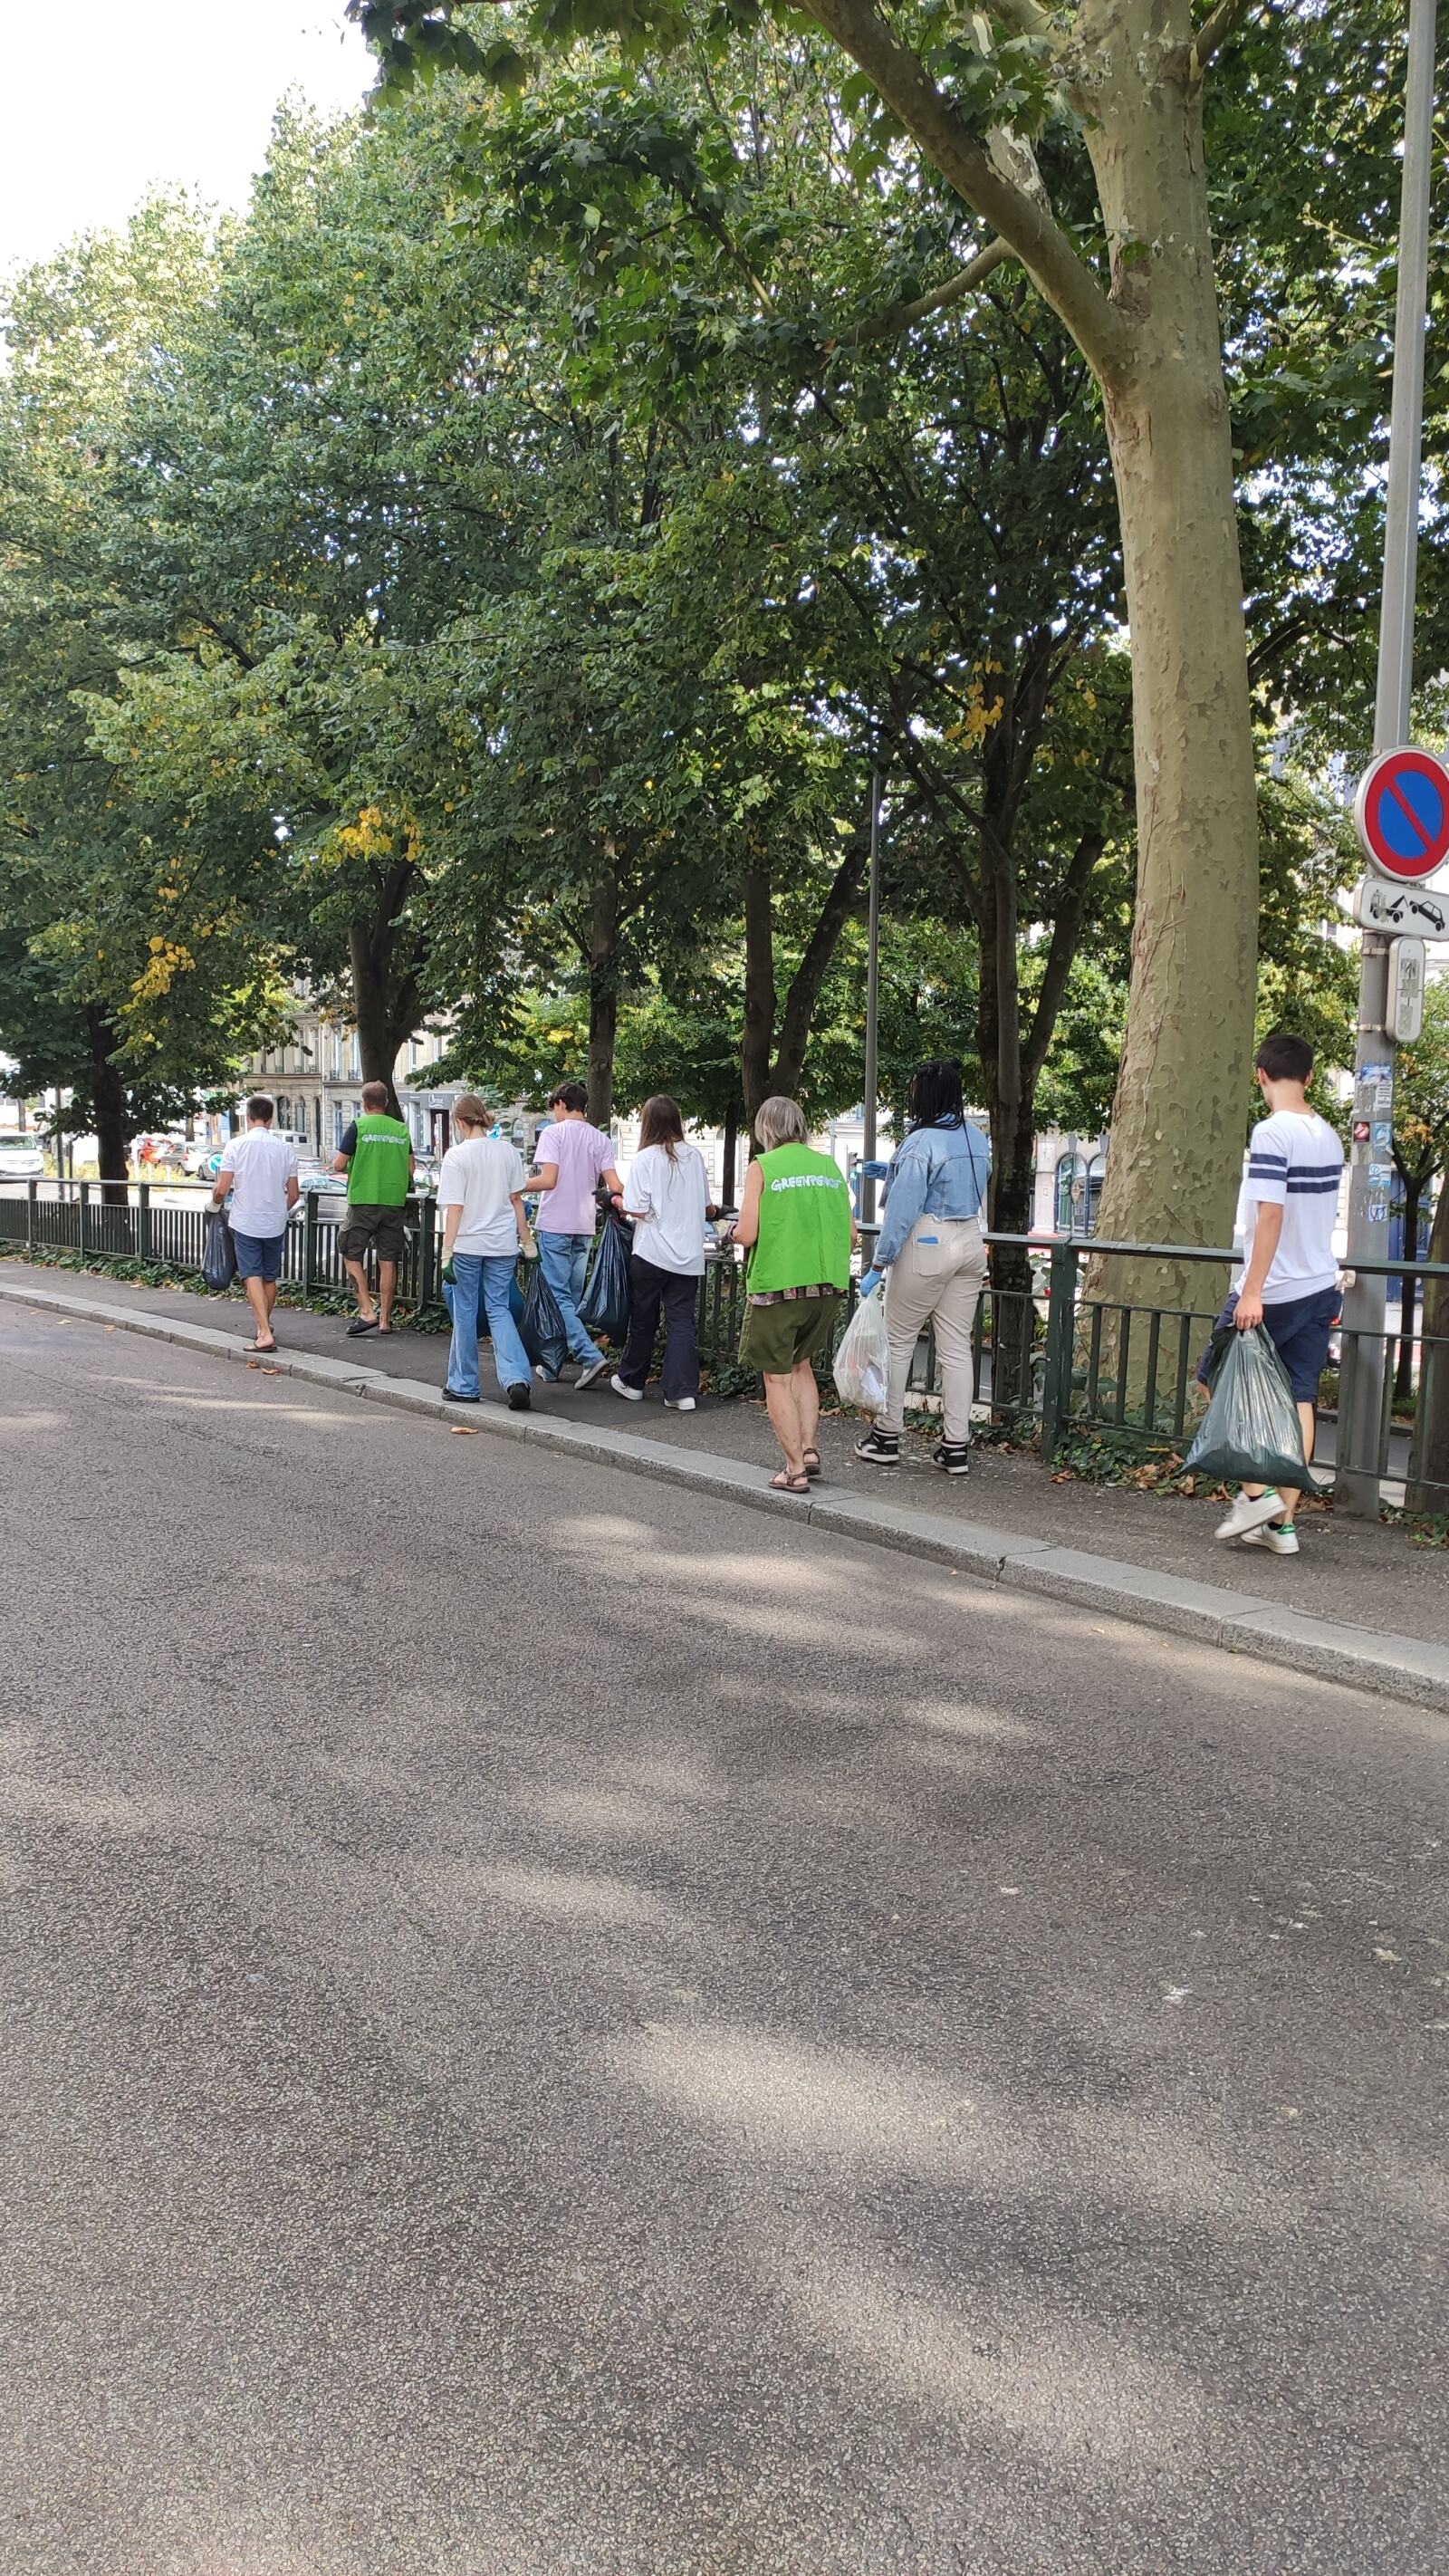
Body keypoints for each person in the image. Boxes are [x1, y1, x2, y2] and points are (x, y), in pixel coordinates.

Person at [1212, 1033, 1345, 1558]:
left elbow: (1270, 1214)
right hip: (1318, 1284)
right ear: (1309, 1078)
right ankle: (1283, 1526)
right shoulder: (1329, 1135)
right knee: (1299, 1399)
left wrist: (1252, 1291)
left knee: (1215, 1378)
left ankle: (1256, 1495)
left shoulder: (1271, 1133)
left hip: (1275, 1287)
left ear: (1260, 1074)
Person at [853, 1059, 990, 1477]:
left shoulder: (920, 1142)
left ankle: (886, 1436)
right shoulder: (976, 1137)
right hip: (970, 1240)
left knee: (898, 1342)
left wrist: (879, 1263)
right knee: (955, 1348)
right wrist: (892, 1170)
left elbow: (902, 1212)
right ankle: (956, 1446)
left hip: (928, 1242)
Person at [728, 1095, 855, 1495]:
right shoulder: (829, 1167)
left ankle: (794, 1468)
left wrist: (730, 1233)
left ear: (766, 1129)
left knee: (777, 1377)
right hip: (827, 1285)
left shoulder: (762, 1167)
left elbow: (747, 1233)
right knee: (802, 1364)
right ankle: (811, 1449)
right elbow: (851, 1235)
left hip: (778, 1287)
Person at [437, 1093, 537, 1411]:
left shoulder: (457, 1157)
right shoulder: (507, 1151)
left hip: (468, 1244)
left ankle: (464, 1384)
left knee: (465, 1311)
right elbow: (516, 1200)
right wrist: (527, 1242)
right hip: (502, 1245)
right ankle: (517, 1379)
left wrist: (446, 1251)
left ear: (458, 1121)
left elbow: (455, 1208)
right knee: (499, 1309)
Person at [524, 1081, 626, 1386]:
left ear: (561, 1103)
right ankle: (552, 1364)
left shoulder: (553, 1134)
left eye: (553, 1106)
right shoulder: (599, 1138)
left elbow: (549, 1179)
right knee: (570, 1298)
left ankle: (589, 1356)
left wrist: (515, 1184)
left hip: (555, 1223)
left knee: (558, 1298)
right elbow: (615, 1185)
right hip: (584, 1226)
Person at [611, 1095, 708, 1410]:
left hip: (651, 1252)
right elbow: (706, 1207)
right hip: (689, 1255)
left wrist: (617, 1202)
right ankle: (682, 1392)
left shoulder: (644, 1159)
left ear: (648, 1123)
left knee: (644, 1319)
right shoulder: (694, 1157)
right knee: (681, 1322)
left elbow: (637, 1207)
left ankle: (632, 1381)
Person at [212, 1095, 300, 1354]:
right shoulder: (285, 1149)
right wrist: (276, 1210)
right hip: (275, 1222)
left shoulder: (235, 1146)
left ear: (248, 1118)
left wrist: (215, 1202)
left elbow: (223, 1188)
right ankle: (265, 1325)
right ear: (271, 1119)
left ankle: (263, 1333)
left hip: (246, 1220)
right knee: (270, 1277)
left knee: (252, 1274)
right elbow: (294, 1195)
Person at [333, 1079, 414, 1337]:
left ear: (364, 1103)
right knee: (388, 1259)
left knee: (350, 1253)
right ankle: (385, 1320)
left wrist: (355, 1165)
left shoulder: (359, 1126)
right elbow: (411, 1168)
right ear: (387, 1103)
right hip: (393, 1201)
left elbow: (338, 1164)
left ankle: (366, 1310)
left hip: (363, 1199)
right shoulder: (401, 1129)